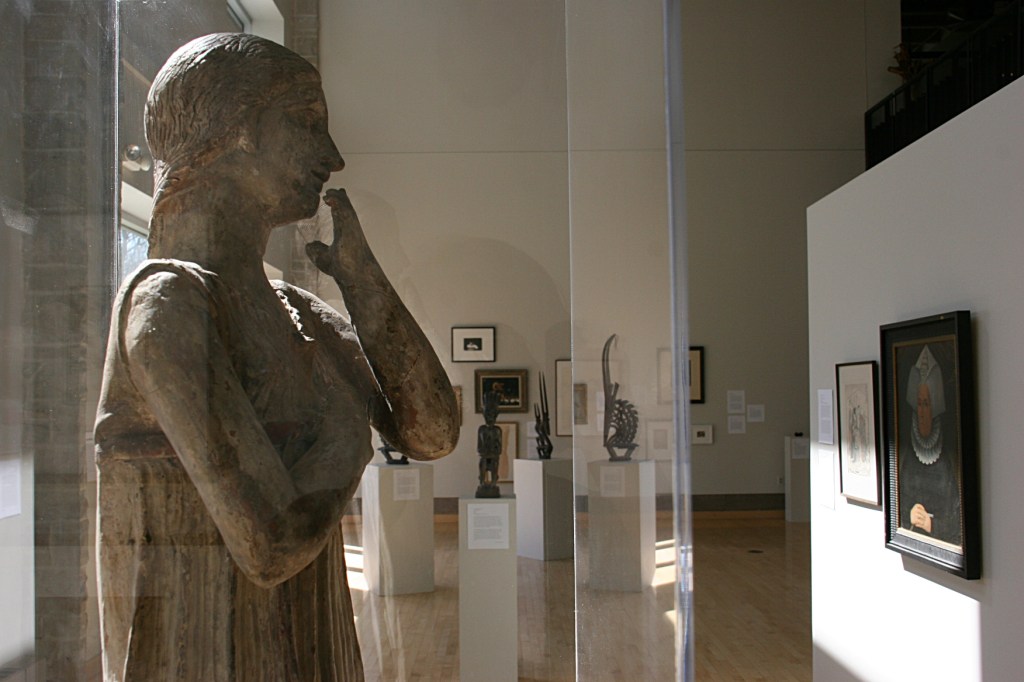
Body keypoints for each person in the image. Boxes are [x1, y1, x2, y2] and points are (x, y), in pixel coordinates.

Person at [93, 33, 458, 681]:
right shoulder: (170, 306)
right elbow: (268, 546)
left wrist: (361, 279)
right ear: (233, 128)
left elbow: (431, 431)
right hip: (209, 654)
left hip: (306, 649)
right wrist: (346, 440)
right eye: (307, 123)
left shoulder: (298, 312)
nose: (333, 156)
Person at [897, 343, 961, 546]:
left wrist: (931, 524)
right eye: (919, 403)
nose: (923, 411)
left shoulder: (948, 457)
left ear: (935, 406)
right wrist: (909, 516)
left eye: (927, 404)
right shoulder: (906, 454)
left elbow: (957, 521)